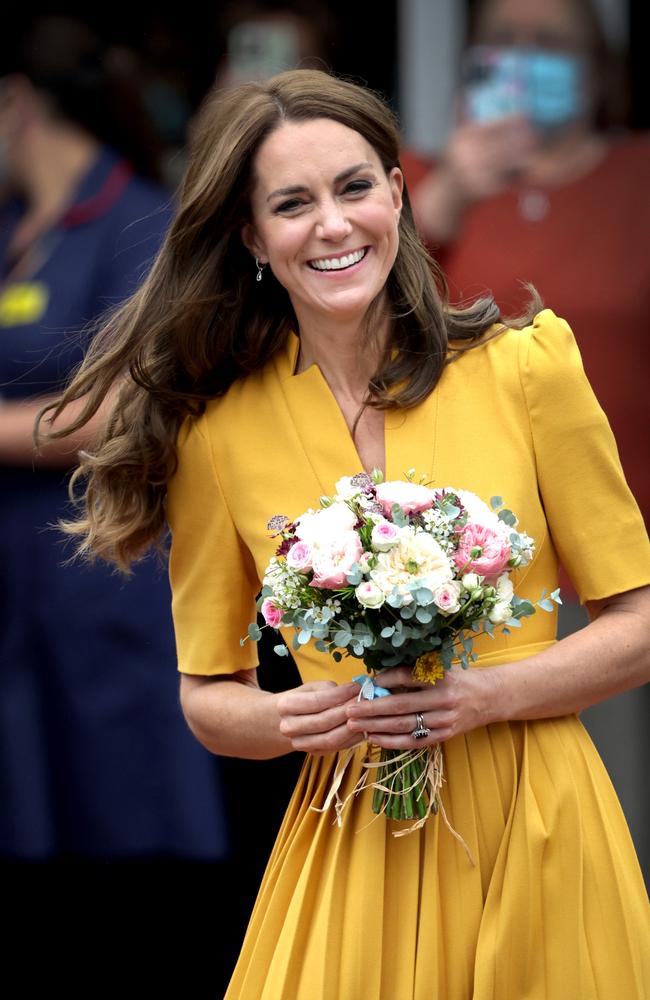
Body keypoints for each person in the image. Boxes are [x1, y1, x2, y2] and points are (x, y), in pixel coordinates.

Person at [42, 69, 649, 997]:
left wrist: (488, 695)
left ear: (399, 196)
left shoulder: (528, 371)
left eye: (355, 187)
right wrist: (289, 719)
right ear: (252, 236)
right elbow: (208, 696)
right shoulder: (217, 434)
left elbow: (639, 621)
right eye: (293, 203)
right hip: (352, 827)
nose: (333, 225)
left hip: (539, 821)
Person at [0, 16, 228, 863]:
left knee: (126, 816)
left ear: (16, 100)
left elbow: (121, 410)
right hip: (14, 591)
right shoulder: (16, 227)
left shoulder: (137, 220)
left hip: (104, 575)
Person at [401, 0, 649, 538]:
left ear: (599, 68)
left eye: (551, 42)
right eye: (505, 38)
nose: (524, 57)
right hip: (456, 561)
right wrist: (452, 191)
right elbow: (371, 309)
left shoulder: (638, 177)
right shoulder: (410, 179)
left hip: (625, 538)